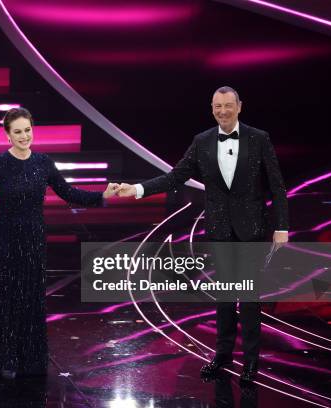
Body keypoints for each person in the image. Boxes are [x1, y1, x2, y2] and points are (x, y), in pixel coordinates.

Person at [0, 108, 121, 378]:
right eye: (17, 131)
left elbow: (68, 192)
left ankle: (31, 355)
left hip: (34, 239)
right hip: (5, 239)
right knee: (6, 300)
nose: (24, 136)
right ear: (7, 135)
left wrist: (101, 196)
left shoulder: (44, 163)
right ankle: (6, 359)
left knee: (31, 299)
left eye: (27, 130)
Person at [118, 86, 289, 382]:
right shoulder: (202, 141)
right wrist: (137, 189)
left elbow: (277, 185)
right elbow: (175, 177)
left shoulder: (258, 138)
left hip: (251, 230)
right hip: (220, 230)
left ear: (239, 106)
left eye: (228, 105)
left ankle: (250, 363)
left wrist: (282, 226)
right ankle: (222, 356)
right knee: (223, 298)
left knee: (248, 299)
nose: (222, 111)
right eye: (217, 106)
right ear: (212, 109)